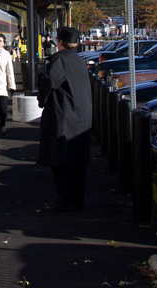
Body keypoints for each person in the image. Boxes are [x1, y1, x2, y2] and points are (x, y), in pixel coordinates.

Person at [36, 26, 93, 212]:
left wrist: (41, 98)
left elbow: (50, 82)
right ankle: (77, 199)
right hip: (81, 116)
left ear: (60, 42)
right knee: (77, 162)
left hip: (63, 115)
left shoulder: (59, 59)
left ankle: (64, 199)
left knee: (60, 158)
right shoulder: (79, 60)